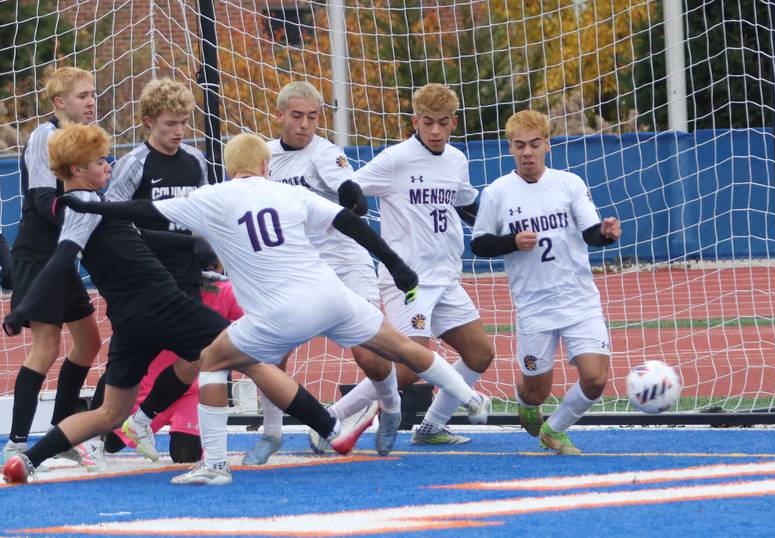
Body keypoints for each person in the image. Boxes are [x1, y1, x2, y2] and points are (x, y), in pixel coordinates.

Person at [59, 132, 491, 485]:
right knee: (402, 347)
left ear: (230, 169)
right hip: (332, 296)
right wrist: (398, 267)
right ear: (266, 166)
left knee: (210, 360)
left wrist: (85, 204)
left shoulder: (215, 196)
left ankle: (215, 465)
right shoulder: (287, 194)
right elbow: (350, 221)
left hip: (279, 313)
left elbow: (139, 208)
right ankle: (470, 397)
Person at [1, 124, 352, 484]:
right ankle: (331, 427)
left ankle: (28, 460)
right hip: (161, 303)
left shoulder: (95, 205)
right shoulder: (86, 205)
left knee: (110, 411)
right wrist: (24, 310)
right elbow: (61, 260)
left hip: (129, 318)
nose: (108, 165)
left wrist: (192, 244)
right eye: (99, 161)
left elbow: (140, 237)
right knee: (252, 360)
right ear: (76, 170)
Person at [316, 83, 495, 447]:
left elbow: (465, 202)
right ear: (415, 120)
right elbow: (350, 188)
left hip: (446, 277)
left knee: (480, 354)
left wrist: (503, 225)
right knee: (412, 364)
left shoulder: (457, 160)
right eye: (427, 122)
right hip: (407, 279)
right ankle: (330, 417)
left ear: (453, 124)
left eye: (442, 123)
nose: (434, 130)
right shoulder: (395, 159)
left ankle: (431, 426)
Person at [243, 81, 402, 464]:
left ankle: (392, 407)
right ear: (280, 115)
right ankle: (271, 433)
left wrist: (353, 197)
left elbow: (346, 185)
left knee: (371, 351)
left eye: (313, 117)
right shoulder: (263, 156)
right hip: (297, 267)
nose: (305, 125)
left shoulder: (326, 153)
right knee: (268, 351)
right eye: (297, 116)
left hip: (346, 263)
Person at [471, 110, 622, 455]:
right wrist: (511, 241)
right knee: (536, 393)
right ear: (510, 148)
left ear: (547, 145)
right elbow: (479, 244)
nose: (528, 152)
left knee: (596, 379)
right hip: (534, 306)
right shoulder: (497, 193)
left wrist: (606, 233)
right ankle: (525, 401)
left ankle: (555, 430)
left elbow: (590, 233)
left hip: (578, 299)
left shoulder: (569, 183)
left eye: (535, 144)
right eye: (520, 145)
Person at [90, 78, 213, 462]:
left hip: (186, 274)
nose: (178, 131)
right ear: (148, 122)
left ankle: (141, 420)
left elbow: (207, 214)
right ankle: (95, 436)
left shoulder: (196, 160)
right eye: (169, 124)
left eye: (183, 122)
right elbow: (113, 221)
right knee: (129, 359)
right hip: (144, 279)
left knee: (198, 356)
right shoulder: (133, 165)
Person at [2, 67, 102, 467]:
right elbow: (44, 202)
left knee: (90, 341)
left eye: (93, 94)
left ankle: (61, 430)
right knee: (46, 347)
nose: (91, 101)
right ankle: (17, 441)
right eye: (82, 96)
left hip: (62, 253)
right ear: (59, 102)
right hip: (39, 254)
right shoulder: (45, 137)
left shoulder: (83, 139)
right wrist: (89, 215)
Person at [103, 266, 243, 464]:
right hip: (148, 387)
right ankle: (88, 432)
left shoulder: (226, 292)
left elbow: (254, 325)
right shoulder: (164, 292)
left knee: (185, 456)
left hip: (192, 392)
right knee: (111, 444)